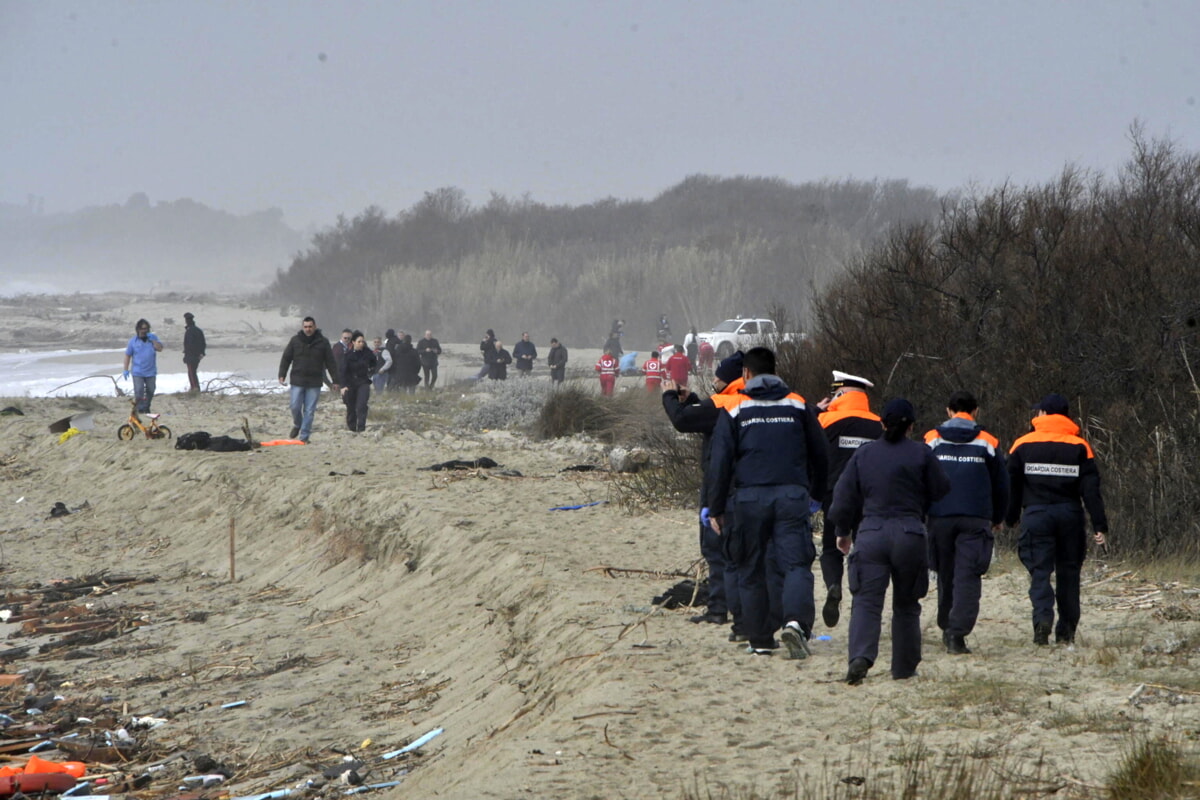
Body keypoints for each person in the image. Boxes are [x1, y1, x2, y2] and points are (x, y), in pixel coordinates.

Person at [707, 347, 829, 659]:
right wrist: (816, 494)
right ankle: (796, 625)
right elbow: (821, 453)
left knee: (750, 568)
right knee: (796, 564)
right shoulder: (798, 403)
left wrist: (716, 507)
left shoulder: (735, 407)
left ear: (745, 374)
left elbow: (720, 462)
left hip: (749, 499)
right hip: (791, 496)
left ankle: (760, 639)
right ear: (775, 371)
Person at [828, 398, 951, 685]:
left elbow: (843, 499)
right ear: (911, 426)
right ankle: (904, 667)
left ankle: (860, 656)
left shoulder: (864, 454)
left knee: (867, 602)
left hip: (871, 533)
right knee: (907, 605)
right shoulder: (921, 453)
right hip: (909, 533)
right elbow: (942, 488)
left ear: (881, 424)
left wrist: (843, 531)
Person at [1006, 393, 1108, 646]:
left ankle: (1042, 619)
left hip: (1036, 515)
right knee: (1069, 574)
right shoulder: (1080, 446)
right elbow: (1091, 491)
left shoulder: (1022, 444)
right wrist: (1099, 524)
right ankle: (1067, 632)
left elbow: (1012, 486)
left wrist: (1010, 517)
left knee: (1040, 572)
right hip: (1070, 516)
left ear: (1043, 415)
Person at [661, 351, 747, 636]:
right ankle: (741, 609)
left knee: (716, 549)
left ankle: (719, 609)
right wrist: (693, 399)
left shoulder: (725, 403)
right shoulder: (754, 400)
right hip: (752, 487)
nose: (713, 380)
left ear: (731, 378)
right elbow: (703, 413)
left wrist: (670, 398)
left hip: (720, 487)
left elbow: (684, 421)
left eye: (717, 377)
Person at [924, 391, 1009, 654]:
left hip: (939, 517)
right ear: (976, 411)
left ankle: (945, 622)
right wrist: (998, 517)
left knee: (945, 573)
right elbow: (1002, 483)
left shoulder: (932, 439)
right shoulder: (988, 441)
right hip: (975, 517)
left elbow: (920, 476)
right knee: (968, 575)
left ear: (949, 411)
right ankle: (956, 634)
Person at [815, 371, 883, 628]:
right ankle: (860, 598)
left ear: (842, 393)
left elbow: (815, 457)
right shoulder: (880, 425)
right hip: (870, 498)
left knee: (832, 548)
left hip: (834, 494)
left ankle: (834, 585)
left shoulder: (826, 420)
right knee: (864, 550)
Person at [278, 316, 339, 443]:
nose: (308, 329)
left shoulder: (323, 342)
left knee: (309, 411)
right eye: (305, 327)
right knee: (294, 406)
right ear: (302, 327)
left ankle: (304, 438)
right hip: (297, 379)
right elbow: (286, 358)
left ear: (315, 327)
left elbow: (331, 362)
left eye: (310, 326)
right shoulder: (295, 341)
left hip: (314, 381)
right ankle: (297, 424)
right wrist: (282, 373)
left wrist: (335, 380)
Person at [339, 331, 377, 432]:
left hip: (363, 382)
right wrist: (343, 386)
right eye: (359, 341)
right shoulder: (347, 355)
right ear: (353, 342)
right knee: (351, 407)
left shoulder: (367, 353)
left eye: (363, 341)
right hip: (350, 383)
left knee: (361, 405)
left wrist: (371, 372)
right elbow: (343, 371)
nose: (361, 343)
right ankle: (352, 427)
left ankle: (361, 427)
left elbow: (374, 363)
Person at [123, 318, 163, 413]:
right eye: (142, 329)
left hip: (151, 371)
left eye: (146, 329)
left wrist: (153, 341)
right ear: (138, 330)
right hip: (138, 372)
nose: (144, 331)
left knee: (151, 390)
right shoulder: (133, 341)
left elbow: (160, 349)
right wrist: (125, 369)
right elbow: (128, 355)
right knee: (139, 391)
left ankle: (146, 406)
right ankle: (139, 408)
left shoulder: (153, 338)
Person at [182, 312, 206, 393]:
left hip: (191, 356)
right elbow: (203, 343)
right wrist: (202, 353)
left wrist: (187, 355)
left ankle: (195, 388)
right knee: (193, 372)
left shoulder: (190, 331)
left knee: (191, 373)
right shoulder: (198, 330)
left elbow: (189, 345)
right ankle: (195, 387)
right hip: (197, 355)